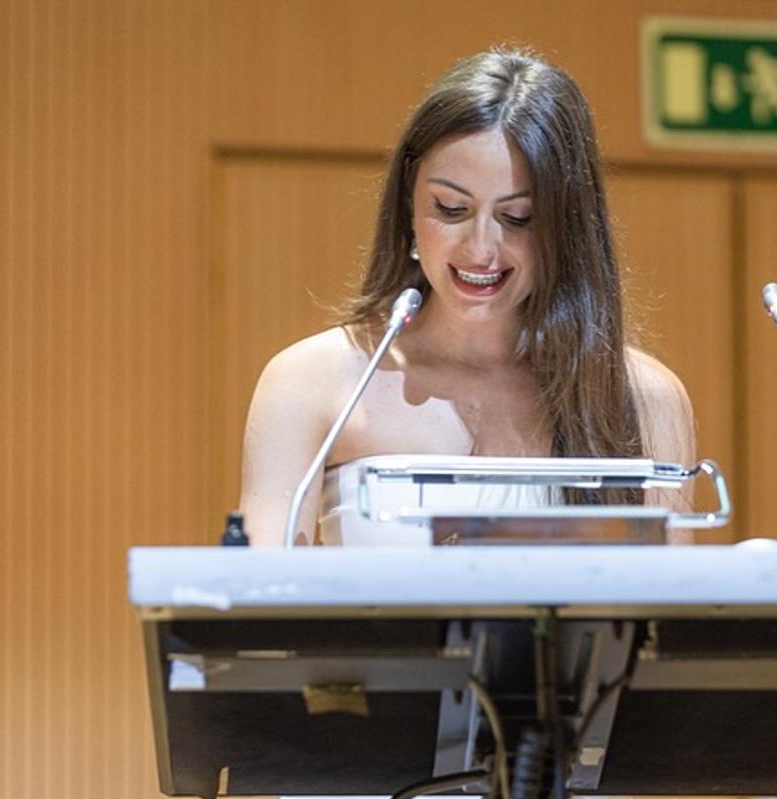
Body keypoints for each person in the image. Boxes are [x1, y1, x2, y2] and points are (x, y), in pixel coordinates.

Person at [239, 48, 695, 548]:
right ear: (409, 206)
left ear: (567, 230)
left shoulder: (639, 397)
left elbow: (666, 618)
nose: (480, 249)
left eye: (517, 218)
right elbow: (262, 604)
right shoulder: (313, 381)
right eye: (451, 209)